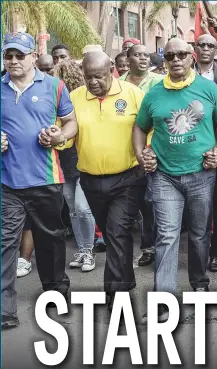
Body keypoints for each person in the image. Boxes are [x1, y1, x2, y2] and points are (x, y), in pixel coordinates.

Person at [133, 38, 217, 323]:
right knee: (167, 235)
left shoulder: (210, 89)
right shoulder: (154, 94)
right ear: (164, 60)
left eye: (181, 54)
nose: (176, 59)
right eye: (170, 55)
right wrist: (140, 154)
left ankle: (199, 285)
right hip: (164, 175)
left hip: (201, 173)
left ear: (192, 57)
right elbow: (140, 127)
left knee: (200, 234)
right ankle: (164, 301)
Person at [44, 51, 146, 311]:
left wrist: (149, 152)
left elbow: (149, 128)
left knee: (117, 232)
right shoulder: (75, 98)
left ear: (111, 69)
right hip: (90, 180)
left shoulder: (133, 94)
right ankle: (126, 281)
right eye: (88, 77)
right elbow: (66, 132)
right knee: (114, 238)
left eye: (99, 76)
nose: (93, 82)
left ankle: (115, 296)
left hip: (128, 178)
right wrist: (57, 136)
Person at [1, 32, 76, 330]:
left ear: (34, 56)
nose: (14, 61)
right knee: (5, 245)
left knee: (52, 242)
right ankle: (5, 311)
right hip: (7, 183)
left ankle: (55, 297)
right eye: (9, 55)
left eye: (20, 55)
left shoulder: (55, 87)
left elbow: (71, 123)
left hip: (46, 180)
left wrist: (60, 136)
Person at [193, 34, 217, 272]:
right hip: (190, 145)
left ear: (216, 49)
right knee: (197, 206)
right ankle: (198, 251)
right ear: (195, 48)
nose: (206, 48)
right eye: (202, 44)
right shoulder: (184, 73)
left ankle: (216, 253)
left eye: (210, 45)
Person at [120, 44, 163, 267]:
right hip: (124, 151)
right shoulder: (119, 83)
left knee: (150, 202)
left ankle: (151, 247)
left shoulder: (159, 82)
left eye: (146, 55)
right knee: (131, 203)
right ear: (128, 59)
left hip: (152, 150)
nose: (143, 59)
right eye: (137, 55)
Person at [53, 59, 97, 272]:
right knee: (72, 209)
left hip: (83, 160)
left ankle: (88, 251)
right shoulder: (54, 99)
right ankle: (82, 249)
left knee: (82, 207)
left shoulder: (80, 98)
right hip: (64, 161)